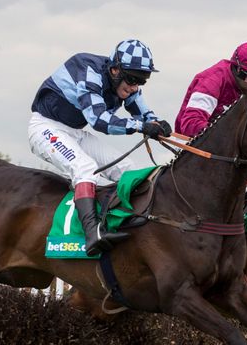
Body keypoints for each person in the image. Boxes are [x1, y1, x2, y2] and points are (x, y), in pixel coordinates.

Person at [28, 39, 171, 256]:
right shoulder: (89, 71)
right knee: (84, 168)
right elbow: (99, 120)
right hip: (45, 128)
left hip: (75, 133)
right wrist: (141, 127)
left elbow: (144, 115)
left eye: (142, 81)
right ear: (115, 70)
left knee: (128, 169)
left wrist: (157, 124)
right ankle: (92, 234)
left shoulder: (126, 83)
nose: (135, 87)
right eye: (132, 79)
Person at [174, 40, 247, 187]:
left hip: (232, 152)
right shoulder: (212, 80)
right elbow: (190, 124)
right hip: (193, 148)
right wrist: (232, 142)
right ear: (238, 70)